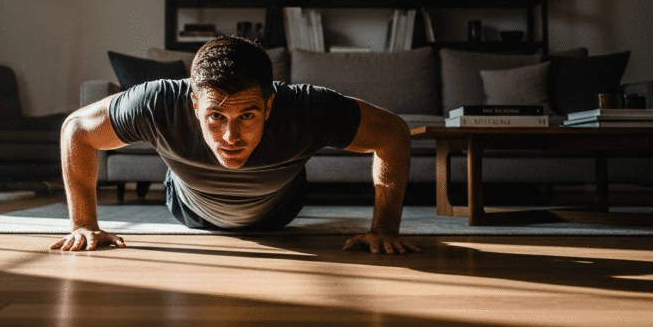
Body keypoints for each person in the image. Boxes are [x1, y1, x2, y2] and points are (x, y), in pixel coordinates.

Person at [50, 36, 419, 255]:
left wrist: (384, 229)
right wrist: (84, 224)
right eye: (215, 117)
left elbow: (393, 133)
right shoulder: (157, 103)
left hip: (279, 210)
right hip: (188, 209)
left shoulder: (308, 109)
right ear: (194, 104)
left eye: (247, 117)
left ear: (270, 105)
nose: (230, 137)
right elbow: (76, 130)